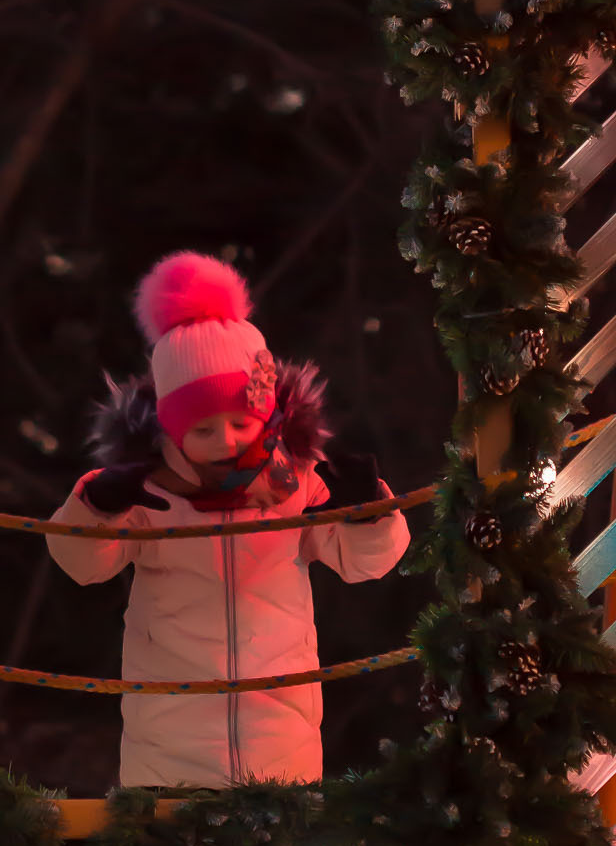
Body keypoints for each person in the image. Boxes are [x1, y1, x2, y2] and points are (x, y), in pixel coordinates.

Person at [48, 252, 408, 788]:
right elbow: (82, 563)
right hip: (167, 747)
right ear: (171, 430)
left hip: (280, 744)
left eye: (239, 422)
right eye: (202, 430)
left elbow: (367, 563)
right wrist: (97, 506)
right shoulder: (149, 495)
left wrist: (367, 512)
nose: (225, 442)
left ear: (264, 412)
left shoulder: (295, 486)